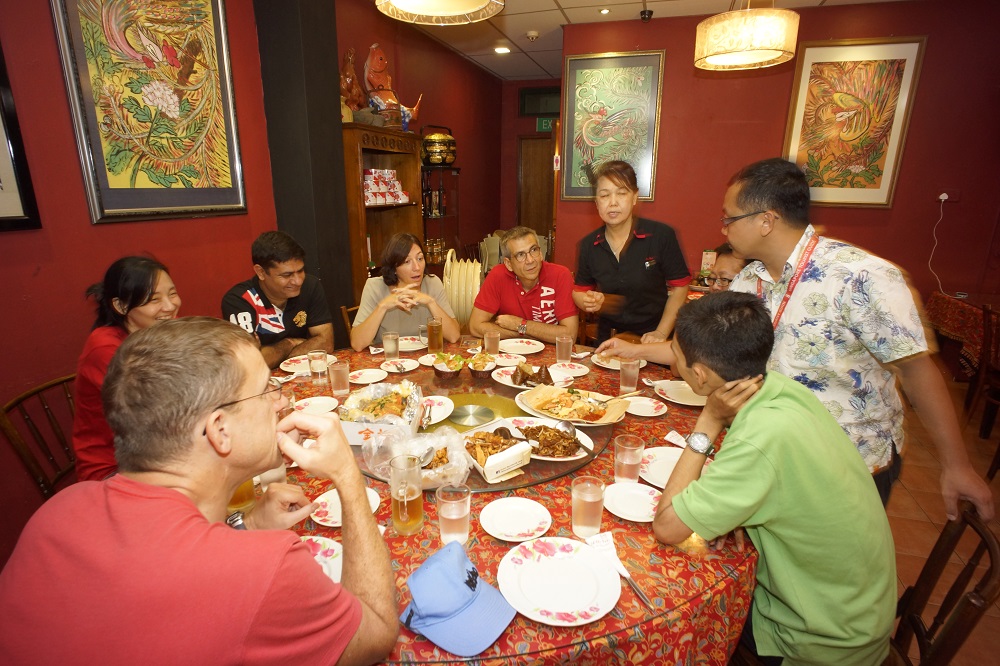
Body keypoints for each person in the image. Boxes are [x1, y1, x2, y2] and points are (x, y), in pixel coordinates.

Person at [598, 158, 994, 521]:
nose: (723, 228)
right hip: (772, 453)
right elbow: (704, 349)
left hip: (847, 465)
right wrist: (636, 349)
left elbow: (917, 370)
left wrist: (956, 464)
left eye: (729, 219)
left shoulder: (860, 276)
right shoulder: (747, 279)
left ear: (765, 220)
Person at [0, 317, 398, 664]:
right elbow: (377, 633)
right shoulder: (267, 569)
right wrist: (348, 475)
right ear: (220, 430)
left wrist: (246, 523)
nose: (280, 401)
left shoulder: (56, 511)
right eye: (266, 389)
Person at [653, 291, 896, 665]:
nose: (674, 363)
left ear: (699, 376)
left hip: (822, 638)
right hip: (856, 605)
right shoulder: (783, 388)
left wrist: (708, 421)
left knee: (677, 623)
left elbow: (668, 527)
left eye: (677, 359)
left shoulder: (760, 439)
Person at [71, 256, 181, 482]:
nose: (170, 306)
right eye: (153, 299)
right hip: (116, 467)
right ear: (120, 306)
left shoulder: (155, 332)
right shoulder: (106, 349)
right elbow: (158, 417)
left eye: (172, 294)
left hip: (161, 450)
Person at [572, 160, 691, 344]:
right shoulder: (589, 245)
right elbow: (579, 290)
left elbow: (680, 287)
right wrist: (587, 301)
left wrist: (660, 333)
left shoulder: (661, 235)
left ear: (634, 197)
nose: (613, 203)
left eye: (621, 193)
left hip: (652, 339)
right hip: (609, 338)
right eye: (604, 195)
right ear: (596, 203)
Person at [223, 230, 334, 368]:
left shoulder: (310, 286)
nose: (298, 281)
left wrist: (271, 354)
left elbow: (326, 344)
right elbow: (250, 363)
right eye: (287, 275)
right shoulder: (239, 300)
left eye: (300, 271)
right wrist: (290, 343)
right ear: (261, 272)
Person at [468, 226, 578, 343]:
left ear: (541, 253)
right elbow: (475, 327)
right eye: (520, 255)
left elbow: (570, 335)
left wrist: (519, 324)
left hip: (553, 355)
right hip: (512, 355)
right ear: (508, 264)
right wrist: (524, 332)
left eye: (533, 250)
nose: (530, 260)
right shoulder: (497, 275)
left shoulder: (560, 275)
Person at [350, 233, 460, 351]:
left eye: (420, 258)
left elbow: (454, 336)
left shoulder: (432, 283)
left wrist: (431, 302)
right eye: (407, 261)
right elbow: (357, 344)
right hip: (388, 359)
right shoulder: (374, 287)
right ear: (394, 268)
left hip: (427, 357)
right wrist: (382, 306)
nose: (417, 267)